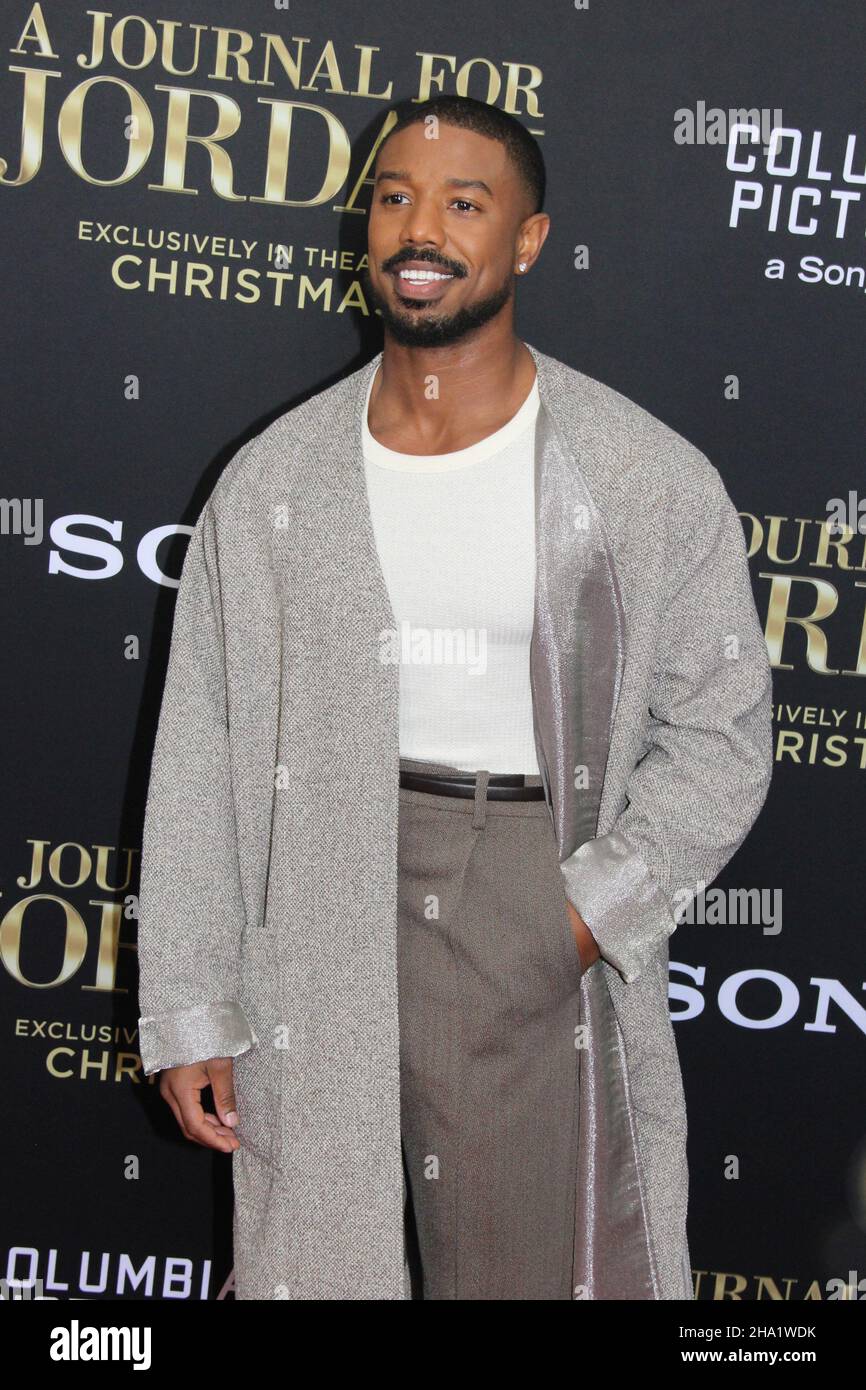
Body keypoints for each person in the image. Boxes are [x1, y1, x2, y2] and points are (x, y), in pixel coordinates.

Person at [137, 94, 774, 1300]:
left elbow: (724, 735)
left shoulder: (635, 473)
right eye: (393, 197)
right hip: (316, 884)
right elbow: (201, 751)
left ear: (527, 240)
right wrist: (188, 1002)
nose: (417, 229)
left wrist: (579, 916)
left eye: (461, 202)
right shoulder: (275, 480)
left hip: (523, 882)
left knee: (530, 1271)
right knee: (314, 1262)